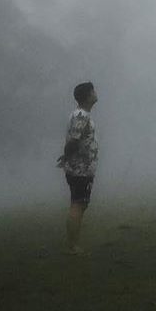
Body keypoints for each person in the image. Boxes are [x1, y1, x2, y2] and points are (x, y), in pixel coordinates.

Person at [57, 81, 99, 255]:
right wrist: (66, 156)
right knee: (78, 204)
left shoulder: (82, 115)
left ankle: (72, 243)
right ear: (87, 96)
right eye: (93, 91)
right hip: (79, 169)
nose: (96, 93)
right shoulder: (81, 115)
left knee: (81, 204)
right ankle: (72, 246)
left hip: (82, 168)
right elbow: (74, 140)